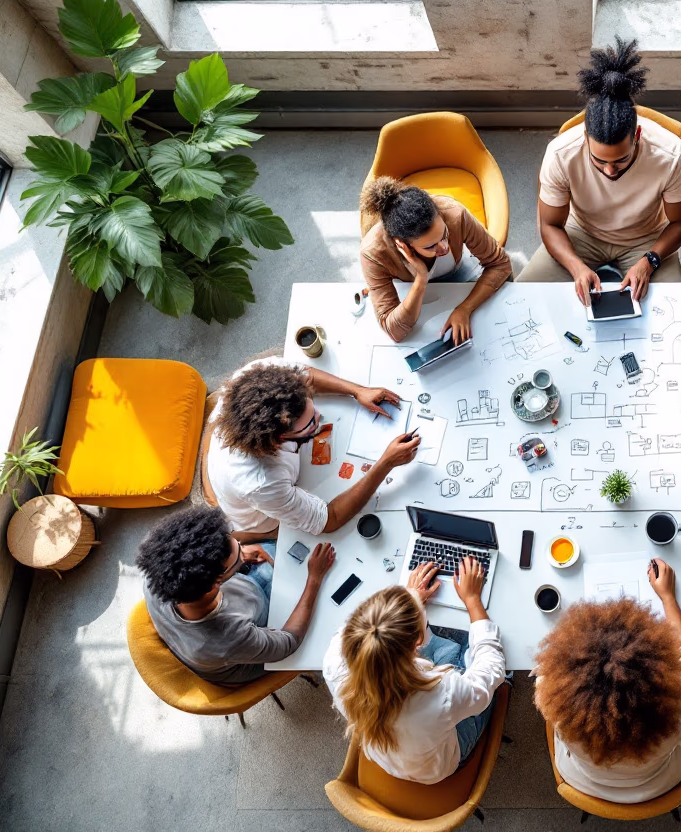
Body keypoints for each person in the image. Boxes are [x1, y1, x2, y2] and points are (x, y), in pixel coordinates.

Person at [517, 37, 681, 303]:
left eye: (621, 160)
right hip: (581, 232)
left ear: (637, 135)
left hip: (646, 238)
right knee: (523, 298)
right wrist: (576, 266)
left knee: (674, 308)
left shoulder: (670, 154)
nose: (610, 171)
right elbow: (549, 224)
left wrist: (650, 261)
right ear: (586, 137)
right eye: (599, 161)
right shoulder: (560, 153)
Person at [533, 559, 681, 802]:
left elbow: (544, 671)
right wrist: (667, 597)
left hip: (584, 784)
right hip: (661, 783)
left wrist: (566, 644)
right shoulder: (680, 703)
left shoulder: (560, 708)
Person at [323, 558, 505, 783]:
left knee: (452, 649)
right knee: (491, 663)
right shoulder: (441, 695)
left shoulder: (334, 661)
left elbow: (374, 633)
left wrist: (408, 599)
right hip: (438, 765)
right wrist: (472, 600)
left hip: (391, 755)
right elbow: (492, 668)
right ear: (418, 642)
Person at [205, 357, 420, 541]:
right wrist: (386, 463)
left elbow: (306, 376)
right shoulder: (262, 483)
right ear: (280, 438)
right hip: (261, 517)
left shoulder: (258, 378)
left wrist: (357, 391)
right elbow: (330, 519)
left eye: (310, 403)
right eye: (309, 423)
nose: (319, 416)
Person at [137, 506, 336, 684]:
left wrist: (238, 556)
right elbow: (289, 642)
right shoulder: (227, 637)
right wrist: (314, 579)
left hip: (234, 615)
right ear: (216, 582)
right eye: (238, 553)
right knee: (321, 600)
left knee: (281, 547)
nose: (243, 548)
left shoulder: (159, 573)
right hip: (246, 654)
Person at [360, 177, 512, 343]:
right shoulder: (373, 253)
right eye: (430, 246)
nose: (444, 248)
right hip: (411, 291)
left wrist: (465, 308)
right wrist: (421, 279)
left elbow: (500, 264)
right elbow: (394, 331)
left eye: (444, 234)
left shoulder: (454, 214)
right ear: (403, 245)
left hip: (459, 277)